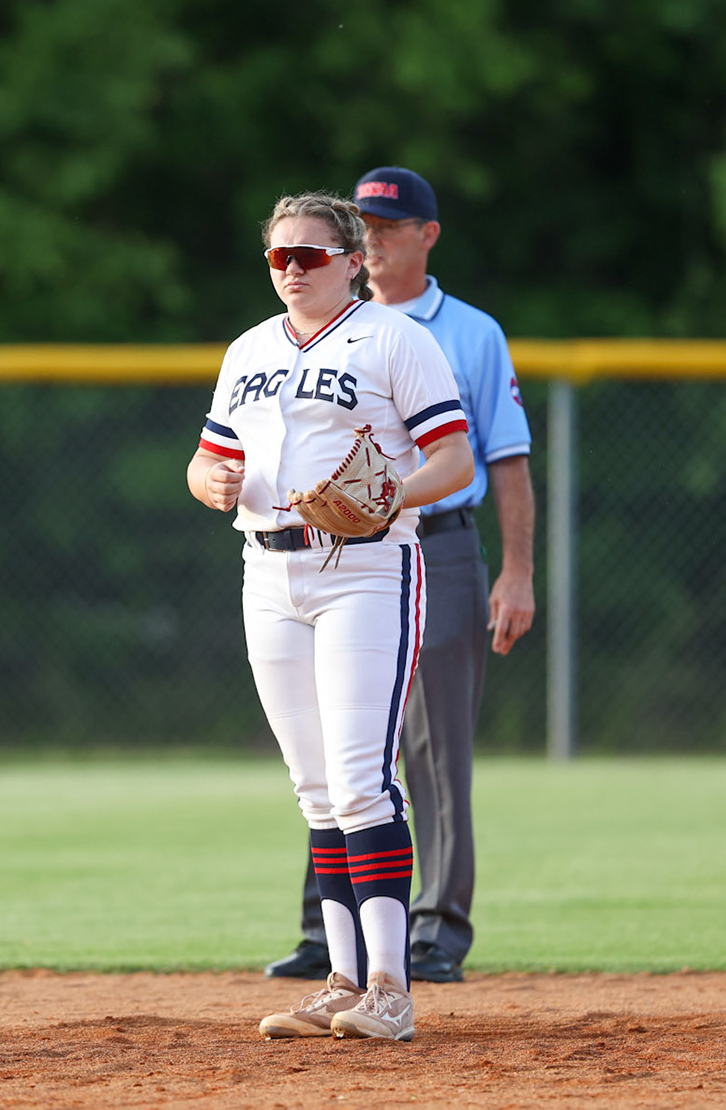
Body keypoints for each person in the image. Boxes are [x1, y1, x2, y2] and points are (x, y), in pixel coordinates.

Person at [189, 191, 474, 1041]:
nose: (293, 271)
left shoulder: (396, 339)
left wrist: (387, 495)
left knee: (361, 778)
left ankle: (391, 987)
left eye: (310, 255)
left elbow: (452, 458)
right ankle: (343, 979)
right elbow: (206, 464)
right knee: (316, 789)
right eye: (279, 257)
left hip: (364, 568)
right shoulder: (247, 350)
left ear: (352, 259)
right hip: (267, 571)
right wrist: (215, 485)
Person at [264, 167, 534, 985]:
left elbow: (505, 457)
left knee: (432, 738)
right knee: (334, 744)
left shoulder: (469, 333)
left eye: (390, 227)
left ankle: (438, 927)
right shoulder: (300, 331)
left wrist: (516, 570)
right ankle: (327, 930)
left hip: (439, 544)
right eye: (365, 229)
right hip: (315, 553)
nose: (374, 241)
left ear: (428, 235)